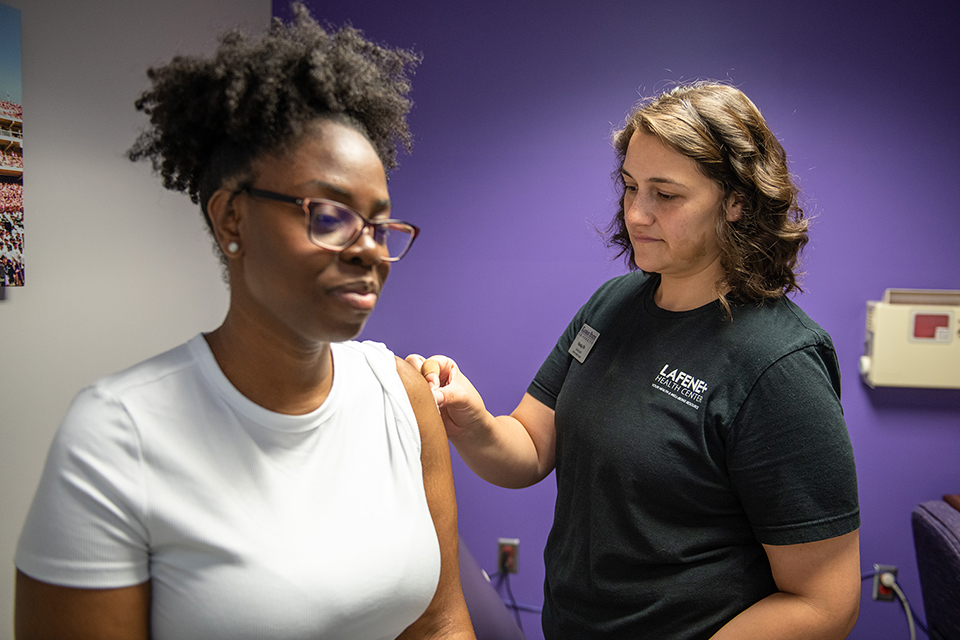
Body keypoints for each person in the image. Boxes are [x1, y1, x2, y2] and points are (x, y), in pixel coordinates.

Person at [15, 7, 475, 640]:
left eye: (378, 223)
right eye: (330, 215)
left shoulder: (401, 394)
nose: (369, 249)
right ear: (231, 219)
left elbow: (441, 624)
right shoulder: (117, 436)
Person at [408, 82, 860, 639]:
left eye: (665, 195)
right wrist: (470, 421)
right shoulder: (612, 305)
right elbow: (530, 448)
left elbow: (824, 603)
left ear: (737, 202)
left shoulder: (779, 362)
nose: (636, 213)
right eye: (629, 187)